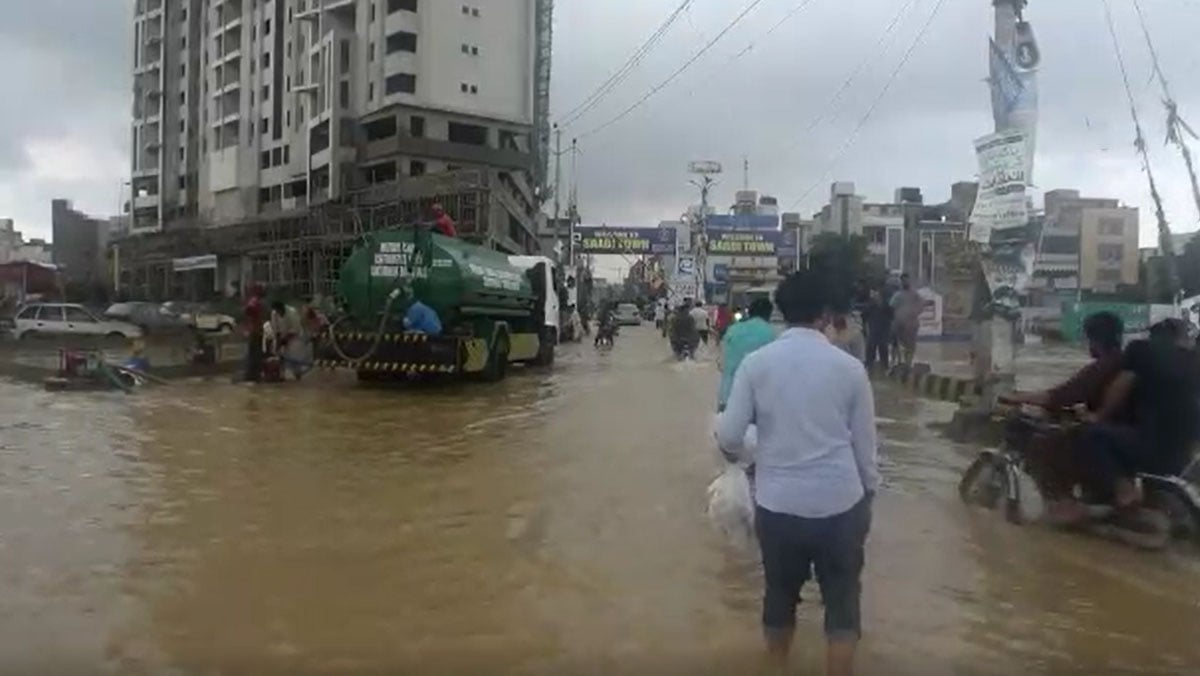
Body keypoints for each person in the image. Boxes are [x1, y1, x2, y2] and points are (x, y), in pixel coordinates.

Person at [717, 270, 879, 676]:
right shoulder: (850, 369)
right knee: (842, 605)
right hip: (841, 505)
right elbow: (866, 451)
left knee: (779, 598)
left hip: (778, 506)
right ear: (825, 314)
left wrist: (755, 451)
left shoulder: (756, 365)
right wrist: (868, 499)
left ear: (782, 311)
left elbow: (730, 436)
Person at [1000, 312, 1127, 521]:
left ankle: (1063, 501)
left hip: (1106, 434)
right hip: (1122, 431)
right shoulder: (1122, 362)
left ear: (1094, 340)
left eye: (1087, 339)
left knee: (1041, 443)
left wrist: (1016, 397)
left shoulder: (1102, 367)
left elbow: (1061, 396)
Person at [1083, 318, 1198, 510]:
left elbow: (1122, 384)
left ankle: (1125, 492)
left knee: (1095, 435)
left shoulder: (1140, 349)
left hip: (1154, 447)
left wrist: (1099, 416)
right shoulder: (1194, 360)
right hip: (1187, 455)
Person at [717, 297, 776, 412]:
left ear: (749, 312)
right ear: (769, 314)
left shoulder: (733, 330)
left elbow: (720, 363)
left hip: (728, 395)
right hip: (759, 402)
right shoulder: (772, 334)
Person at [889, 274, 922, 368]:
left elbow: (921, 306)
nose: (905, 282)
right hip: (899, 323)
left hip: (911, 324)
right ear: (901, 282)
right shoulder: (898, 295)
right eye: (903, 281)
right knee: (896, 344)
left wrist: (914, 313)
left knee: (911, 346)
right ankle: (896, 362)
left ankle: (908, 364)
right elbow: (891, 307)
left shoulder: (915, 295)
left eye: (907, 280)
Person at [270, 301, 308, 380]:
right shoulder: (274, 313)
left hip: (295, 337)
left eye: (279, 311)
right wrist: (278, 343)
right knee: (278, 354)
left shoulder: (292, 312)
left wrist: (285, 339)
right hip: (282, 335)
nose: (278, 312)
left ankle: (298, 374)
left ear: (282, 308)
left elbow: (296, 329)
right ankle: (281, 374)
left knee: (294, 354)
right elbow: (276, 330)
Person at [861, 289, 893, 372]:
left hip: (882, 331)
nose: (876, 297)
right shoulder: (871, 306)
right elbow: (863, 316)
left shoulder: (886, 306)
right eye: (874, 296)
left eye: (877, 296)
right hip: (874, 331)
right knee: (871, 349)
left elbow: (892, 316)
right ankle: (869, 366)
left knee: (883, 349)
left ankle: (884, 367)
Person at [242, 284, 266, 383]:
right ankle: (254, 374)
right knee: (255, 353)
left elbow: (247, 310)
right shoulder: (256, 301)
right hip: (256, 331)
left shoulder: (255, 301)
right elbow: (248, 310)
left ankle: (253, 374)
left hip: (256, 331)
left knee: (254, 353)